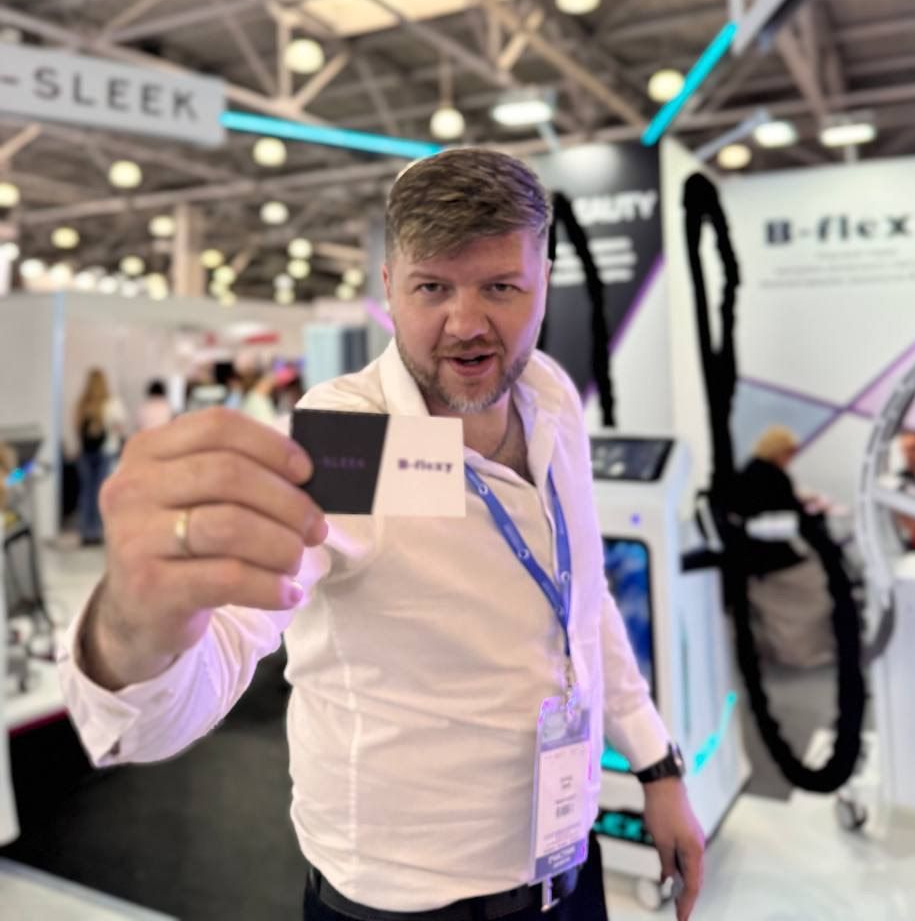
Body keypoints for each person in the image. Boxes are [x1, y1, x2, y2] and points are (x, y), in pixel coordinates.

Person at [58, 149, 705, 921]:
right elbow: (200, 675)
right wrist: (133, 626)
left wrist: (657, 764)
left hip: (566, 864)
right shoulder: (349, 439)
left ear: (544, 280)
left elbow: (582, 598)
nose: (467, 324)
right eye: (433, 287)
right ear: (390, 287)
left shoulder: (551, 397)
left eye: (501, 287)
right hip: (405, 909)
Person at [733, 425, 835, 669]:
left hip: (753, 558)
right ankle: (805, 653)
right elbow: (793, 516)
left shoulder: (750, 471)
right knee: (820, 585)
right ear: (779, 451)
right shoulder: (774, 477)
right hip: (771, 560)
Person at [73, 369, 127, 546]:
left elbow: (76, 429)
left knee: (86, 493)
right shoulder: (111, 403)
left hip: (85, 453)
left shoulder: (82, 404)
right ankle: (96, 531)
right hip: (106, 451)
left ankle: (85, 531)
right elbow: (120, 426)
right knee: (100, 493)